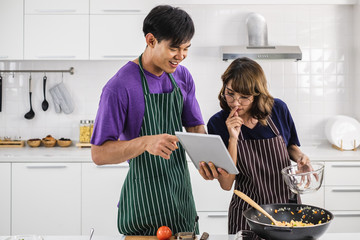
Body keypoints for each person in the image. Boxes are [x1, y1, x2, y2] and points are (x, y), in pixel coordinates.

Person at [90, 5, 206, 236]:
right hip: (144, 205)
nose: (181, 56)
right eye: (174, 48)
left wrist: (207, 160)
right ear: (151, 40)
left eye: (186, 49)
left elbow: (195, 127)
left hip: (182, 200)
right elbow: (99, 154)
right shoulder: (119, 86)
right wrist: (145, 143)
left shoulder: (182, 77)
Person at [199, 57, 312, 235]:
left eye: (244, 97)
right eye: (230, 93)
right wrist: (233, 139)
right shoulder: (217, 123)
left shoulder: (278, 110)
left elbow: (290, 145)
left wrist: (300, 158)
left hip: (285, 212)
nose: (235, 103)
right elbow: (226, 184)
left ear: (257, 94)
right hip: (247, 216)